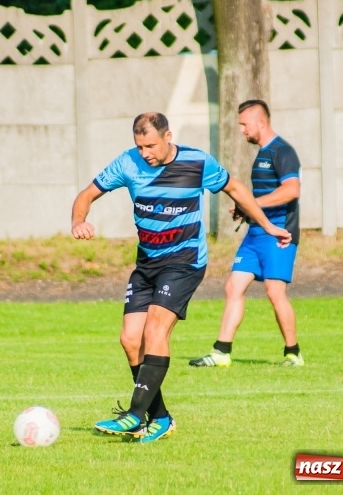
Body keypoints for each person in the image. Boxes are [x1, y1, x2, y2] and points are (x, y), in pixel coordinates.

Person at [71, 111, 291, 443]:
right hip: (147, 264)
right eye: (139, 146)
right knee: (131, 340)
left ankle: (134, 414)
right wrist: (78, 220)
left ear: (168, 136)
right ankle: (160, 417)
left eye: (150, 145)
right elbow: (86, 195)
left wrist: (268, 225)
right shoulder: (127, 164)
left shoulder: (196, 162)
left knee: (156, 328)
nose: (145, 153)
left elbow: (236, 189)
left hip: (185, 262)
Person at [189, 99, 303, 368]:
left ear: (260, 122)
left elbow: (291, 191)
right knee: (233, 287)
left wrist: (251, 204)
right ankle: (221, 352)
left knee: (275, 293)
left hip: (279, 234)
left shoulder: (282, 152)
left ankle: (293, 353)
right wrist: (246, 211)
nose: (241, 130)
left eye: (244, 124)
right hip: (255, 233)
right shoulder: (262, 153)